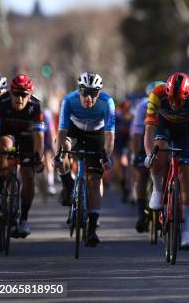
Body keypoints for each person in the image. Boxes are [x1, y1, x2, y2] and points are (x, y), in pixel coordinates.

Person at [144, 73, 189, 249]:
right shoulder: (157, 94)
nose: (174, 103)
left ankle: (186, 231)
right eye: (171, 98)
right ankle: (158, 191)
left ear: (187, 96)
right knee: (159, 154)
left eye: (179, 100)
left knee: (186, 176)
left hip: (187, 131)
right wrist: (150, 154)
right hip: (164, 126)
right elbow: (149, 129)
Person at [55, 72, 115, 247]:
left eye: (94, 93)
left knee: (95, 180)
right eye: (85, 93)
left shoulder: (107, 103)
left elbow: (110, 136)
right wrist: (59, 154)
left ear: (99, 93)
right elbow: (62, 132)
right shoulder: (69, 101)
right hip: (74, 130)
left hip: (97, 134)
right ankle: (67, 183)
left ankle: (92, 230)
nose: (89, 98)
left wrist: (106, 157)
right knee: (62, 150)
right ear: (79, 90)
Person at [0, 74, 44, 237]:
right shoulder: (1, 103)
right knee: (4, 149)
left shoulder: (36, 106)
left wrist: (38, 158)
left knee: (28, 175)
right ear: (10, 93)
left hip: (27, 136)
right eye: (16, 94)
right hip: (6, 132)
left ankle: (24, 219)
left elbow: (39, 136)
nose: (20, 99)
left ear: (30, 95)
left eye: (24, 95)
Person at [130, 81, 164, 233]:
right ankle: (140, 215)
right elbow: (137, 133)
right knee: (141, 175)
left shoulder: (167, 104)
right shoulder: (142, 106)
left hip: (163, 138)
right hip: (146, 140)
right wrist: (136, 154)